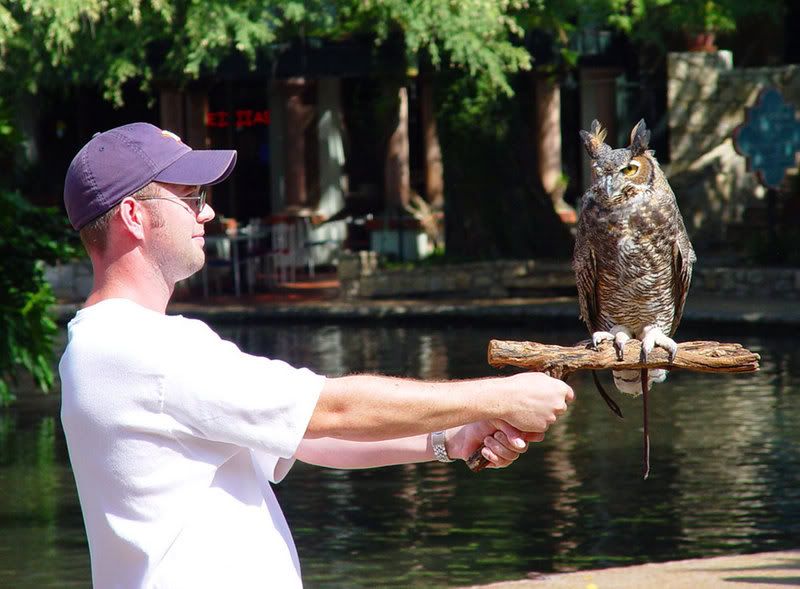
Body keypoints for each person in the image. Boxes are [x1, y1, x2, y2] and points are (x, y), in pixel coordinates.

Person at [59, 122, 575, 588]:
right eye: (190, 197)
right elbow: (334, 409)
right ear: (134, 215)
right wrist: (503, 395)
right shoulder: (145, 349)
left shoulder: (109, 346)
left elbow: (308, 436)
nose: (208, 211)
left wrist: (450, 439)